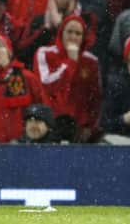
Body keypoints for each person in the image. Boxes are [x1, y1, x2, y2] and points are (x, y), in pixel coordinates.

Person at [33, 15, 103, 143]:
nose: (73, 37)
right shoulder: (44, 53)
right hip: (50, 125)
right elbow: (48, 85)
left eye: (78, 33)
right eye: (69, 32)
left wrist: (89, 127)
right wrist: (71, 61)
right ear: (61, 33)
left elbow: (95, 98)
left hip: (79, 129)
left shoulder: (91, 61)